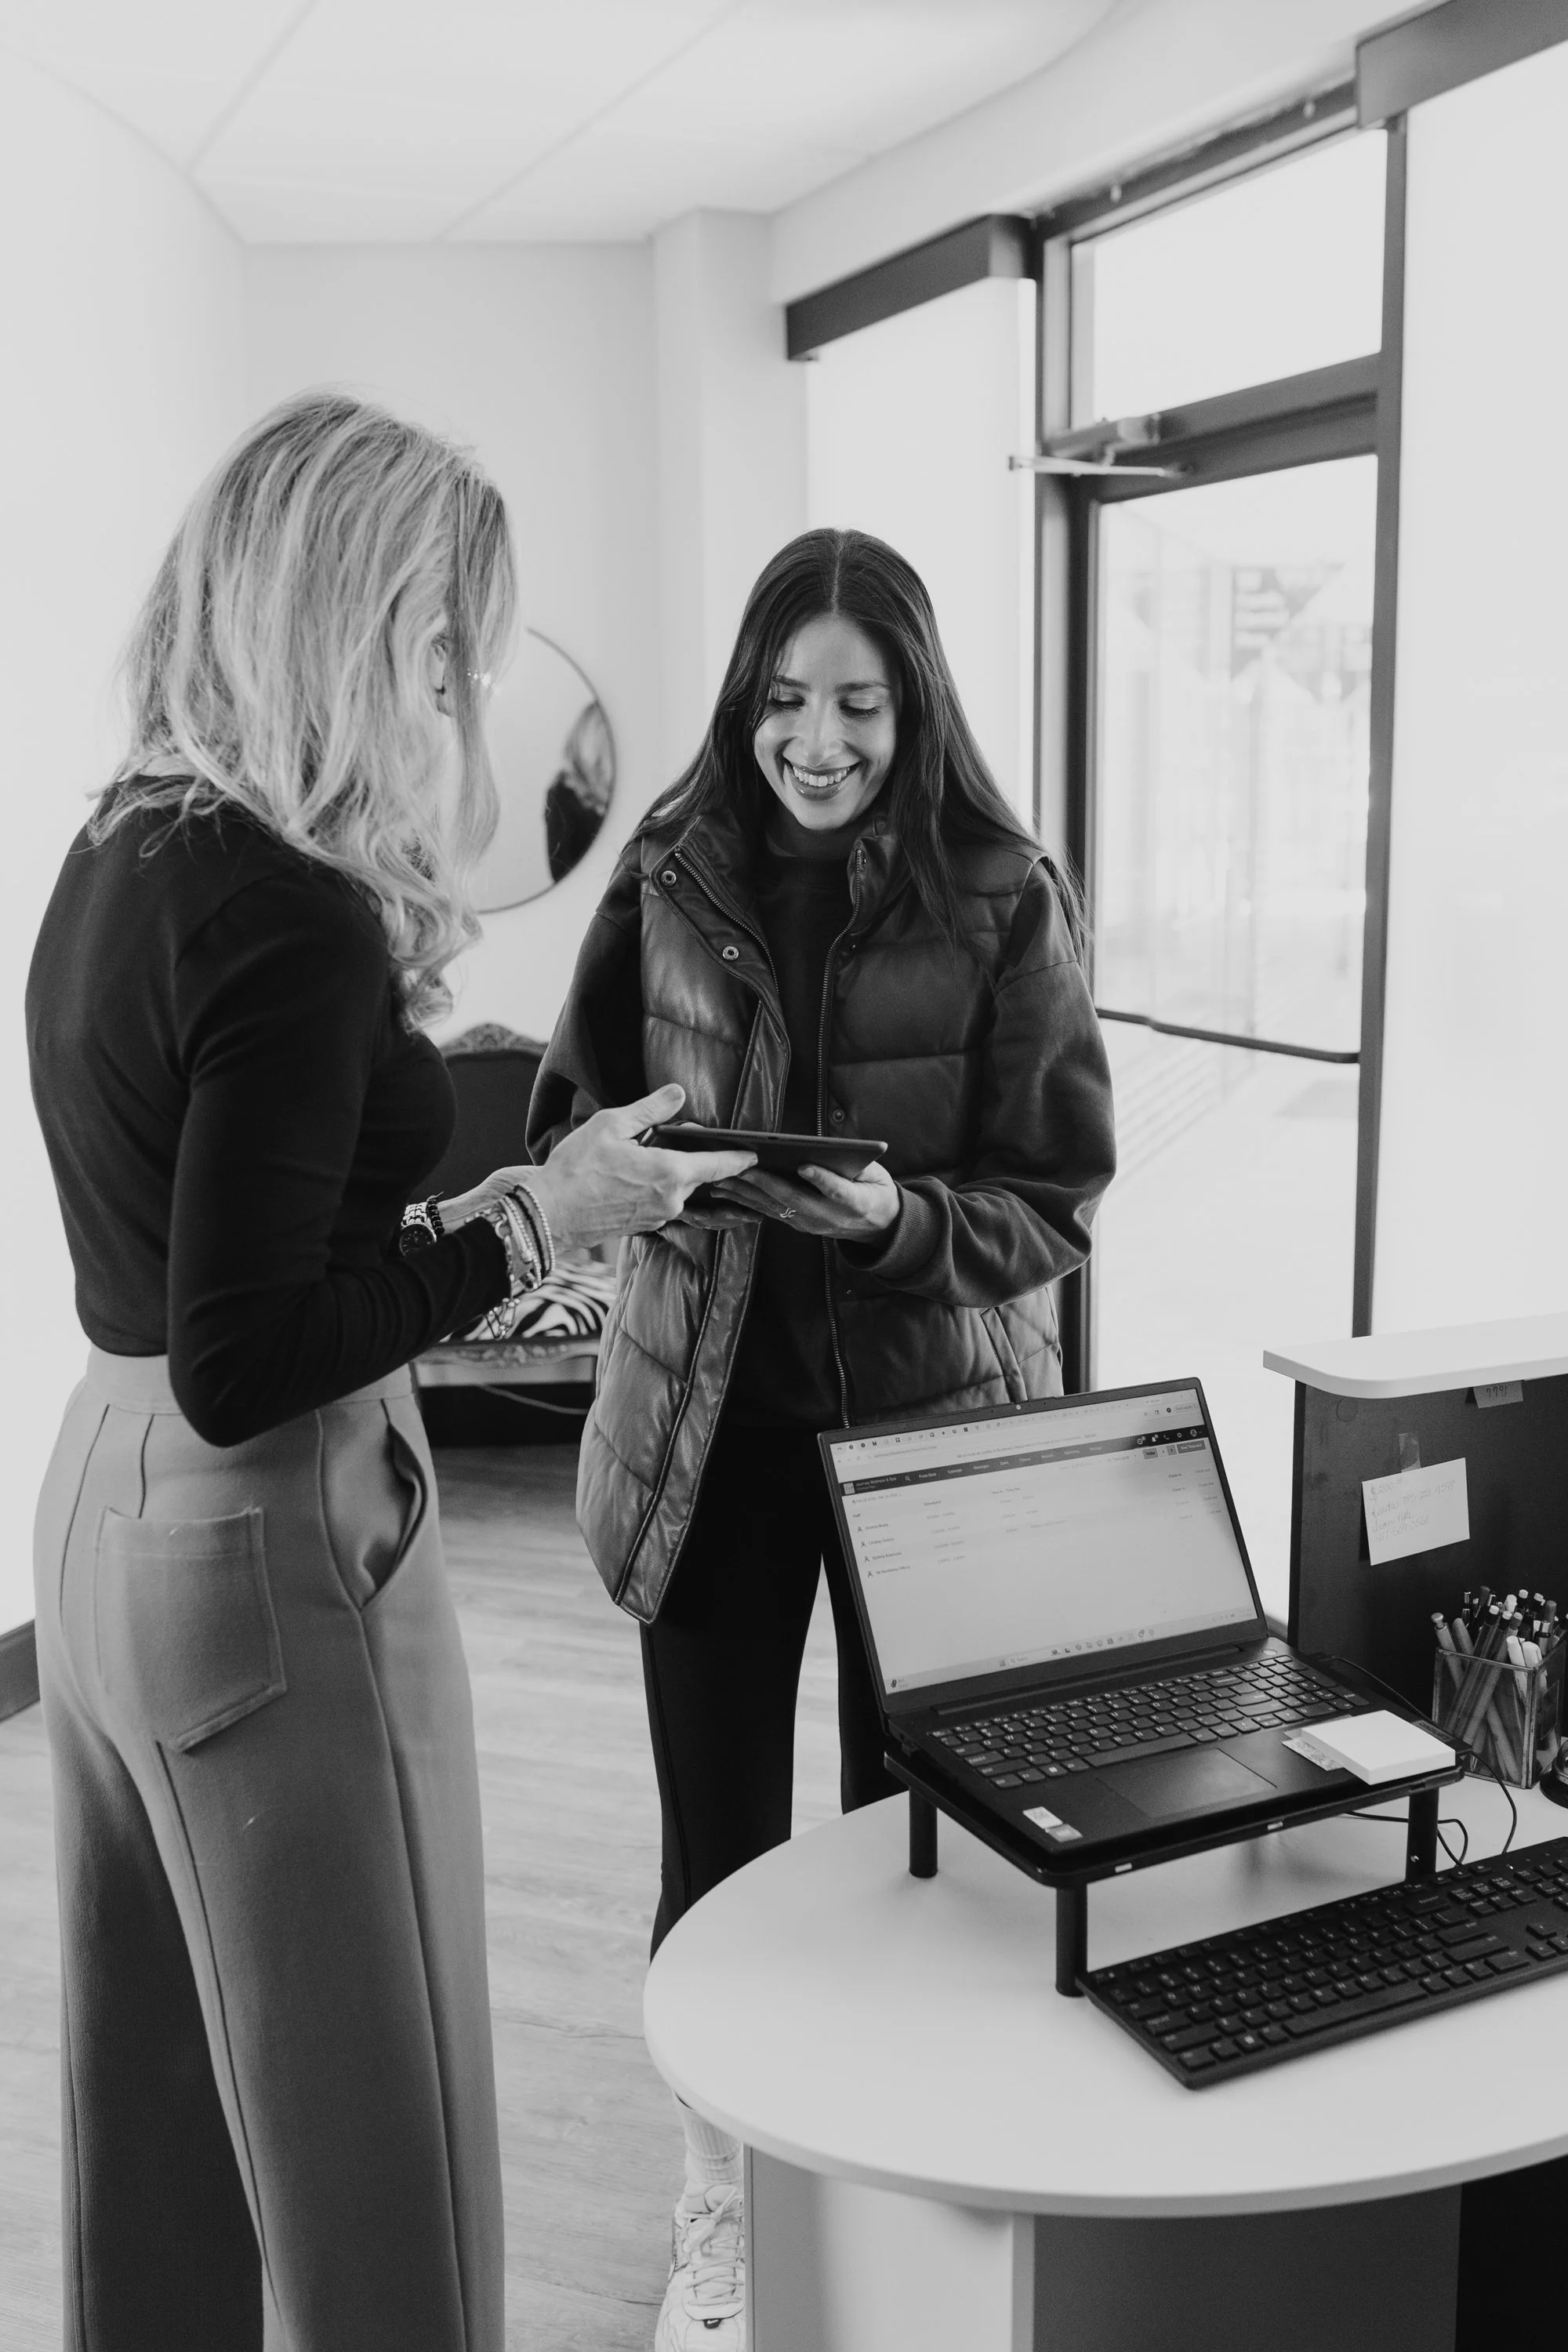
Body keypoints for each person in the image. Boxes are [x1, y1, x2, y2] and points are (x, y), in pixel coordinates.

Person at [24, 390, 752, 2352]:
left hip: (96, 1504)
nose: (456, 695)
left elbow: (205, 1263)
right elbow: (255, 1349)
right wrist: (545, 1219)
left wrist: (485, 1185)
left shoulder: (124, 847)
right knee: (386, 2186)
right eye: (445, 645)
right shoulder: (291, 909)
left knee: (155, 2145)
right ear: (354, 623)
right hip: (262, 1535)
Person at [528, 526, 1117, 2352]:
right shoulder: (670, 864)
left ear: (914, 700)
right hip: (704, 1434)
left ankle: (889, 2194)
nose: (816, 738)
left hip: (922, 1450)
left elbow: (1058, 1192)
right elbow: (570, 1112)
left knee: (912, 1857)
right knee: (714, 1860)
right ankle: (726, 2211)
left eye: (857, 702)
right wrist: (650, 1171)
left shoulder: (1003, 891)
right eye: (786, 699)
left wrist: (903, 1231)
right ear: (746, 700)